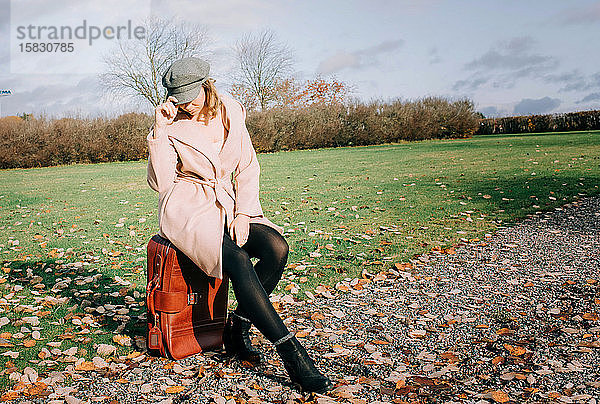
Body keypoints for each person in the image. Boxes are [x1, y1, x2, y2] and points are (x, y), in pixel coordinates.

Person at [147, 57, 334, 394]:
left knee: (276, 248)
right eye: (178, 98)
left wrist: (244, 213)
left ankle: (238, 326)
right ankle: (293, 356)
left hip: (229, 201)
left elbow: (247, 167)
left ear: (206, 85)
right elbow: (161, 183)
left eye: (190, 95)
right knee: (237, 259)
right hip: (187, 208)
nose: (185, 104)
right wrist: (159, 132)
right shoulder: (170, 125)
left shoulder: (231, 111)